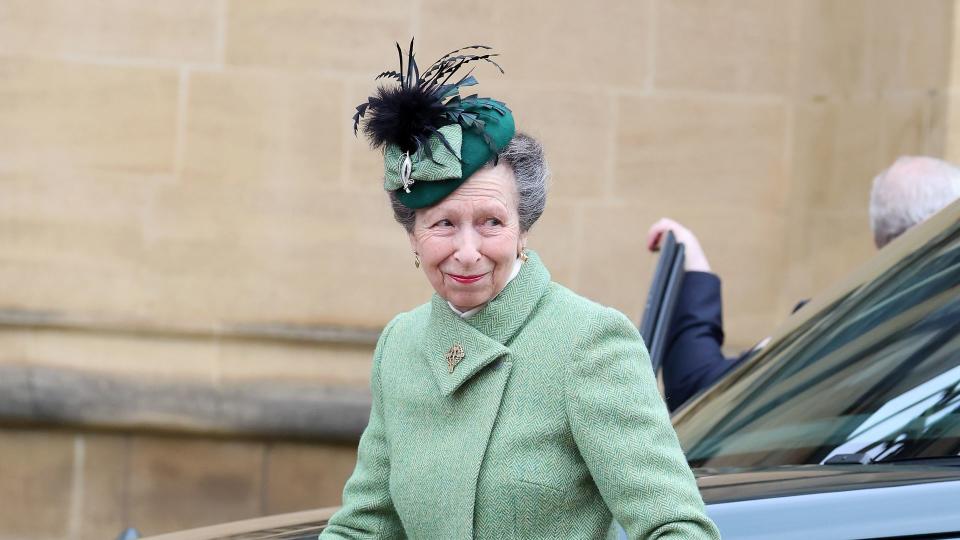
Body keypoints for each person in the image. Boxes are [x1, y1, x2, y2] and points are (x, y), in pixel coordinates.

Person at [320, 42, 720, 539]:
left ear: (523, 229)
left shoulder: (589, 342)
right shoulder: (401, 344)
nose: (467, 251)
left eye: (491, 222)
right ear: (412, 236)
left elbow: (679, 528)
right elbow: (366, 526)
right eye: (443, 223)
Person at [649, 155, 960, 412]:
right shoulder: (846, 321)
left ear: (881, 239)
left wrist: (693, 267)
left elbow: (704, 395)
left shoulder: (842, 325)